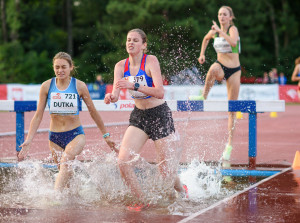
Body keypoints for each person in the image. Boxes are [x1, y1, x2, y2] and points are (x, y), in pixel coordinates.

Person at [104, 28, 188, 211]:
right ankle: (141, 200)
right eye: (128, 40)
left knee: (164, 168)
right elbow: (116, 93)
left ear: (144, 45)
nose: (130, 43)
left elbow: (159, 91)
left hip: (159, 114)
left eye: (135, 40)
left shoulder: (151, 61)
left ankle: (182, 190)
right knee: (122, 161)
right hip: (139, 116)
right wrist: (111, 97)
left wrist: (135, 85)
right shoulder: (120, 66)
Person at [18, 52, 116, 191]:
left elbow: (93, 112)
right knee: (65, 173)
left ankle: (54, 197)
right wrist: (29, 140)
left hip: (75, 134)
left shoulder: (80, 86)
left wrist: (106, 135)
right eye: (57, 67)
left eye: (63, 67)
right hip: (54, 137)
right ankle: (74, 196)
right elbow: (38, 115)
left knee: (65, 162)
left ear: (71, 67)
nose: (60, 70)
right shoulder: (46, 86)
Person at [196, 6, 241, 162]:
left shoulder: (232, 29)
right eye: (220, 14)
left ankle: (229, 146)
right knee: (213, 69)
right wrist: (202, 54)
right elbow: (206, 39)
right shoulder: (214, 31)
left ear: (230, 17)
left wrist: (220, 31)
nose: (222, 17)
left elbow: (234, 43)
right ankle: (204, 96)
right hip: (221, 65)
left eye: (225, 15)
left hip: (234, 70)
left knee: (232, 109)